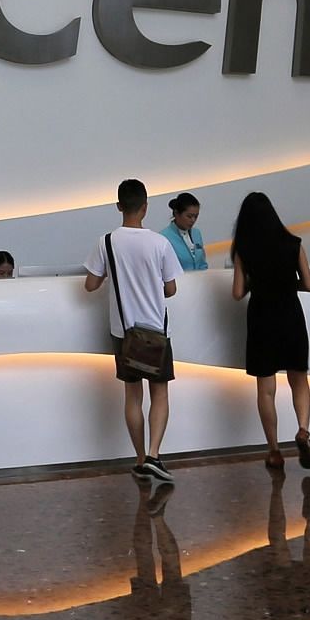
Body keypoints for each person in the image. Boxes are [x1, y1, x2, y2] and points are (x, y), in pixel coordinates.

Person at [84, 178, 184, 482]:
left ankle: (140, 459)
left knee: (132, 394)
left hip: (123, 332)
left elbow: (90, 285)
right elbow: (171, 289)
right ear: (145, 207)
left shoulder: (106, 242)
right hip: (155, 329)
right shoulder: (160, 243)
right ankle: (154, 455)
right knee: (160, 392)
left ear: (118, 206)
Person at [231, 191, 310, 469]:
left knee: (266, 389)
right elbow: (308, 284)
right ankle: (303, 430)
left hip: (261, 320)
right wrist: (288, 284)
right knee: (299, 379)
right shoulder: (294, 244)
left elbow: (237, 293)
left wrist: (256, 283)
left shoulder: (244, 250)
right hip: (291, 316)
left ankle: (274, 451)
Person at [161, 193, 209, 272]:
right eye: (189, 216)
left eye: (196, 216)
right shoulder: (164, 237)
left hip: (199, 278)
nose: (193, 220)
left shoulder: (196, 233)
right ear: (176, 214)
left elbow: (202, 264)